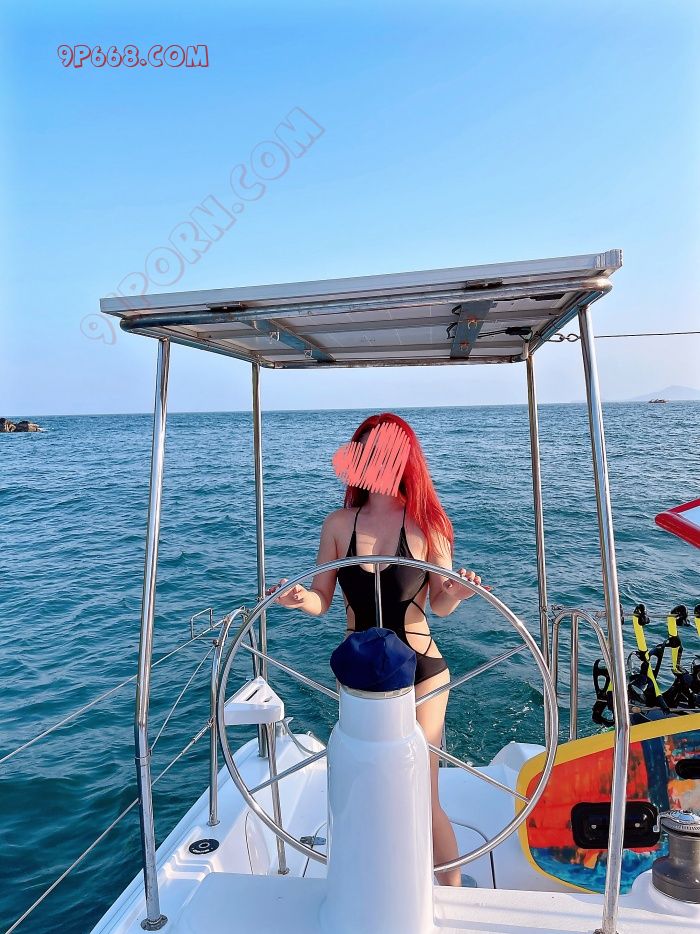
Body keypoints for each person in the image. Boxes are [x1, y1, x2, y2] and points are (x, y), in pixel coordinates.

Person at [265, 412, 486, 886]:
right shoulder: (338, 524)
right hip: (362, 675)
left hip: (423, 673)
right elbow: (322, 599)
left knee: (423, 793)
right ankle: (380, 886)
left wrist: (458, 593)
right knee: (370, 786)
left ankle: (451, 894)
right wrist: (297, 598)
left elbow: (441, 605)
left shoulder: (429, 524)